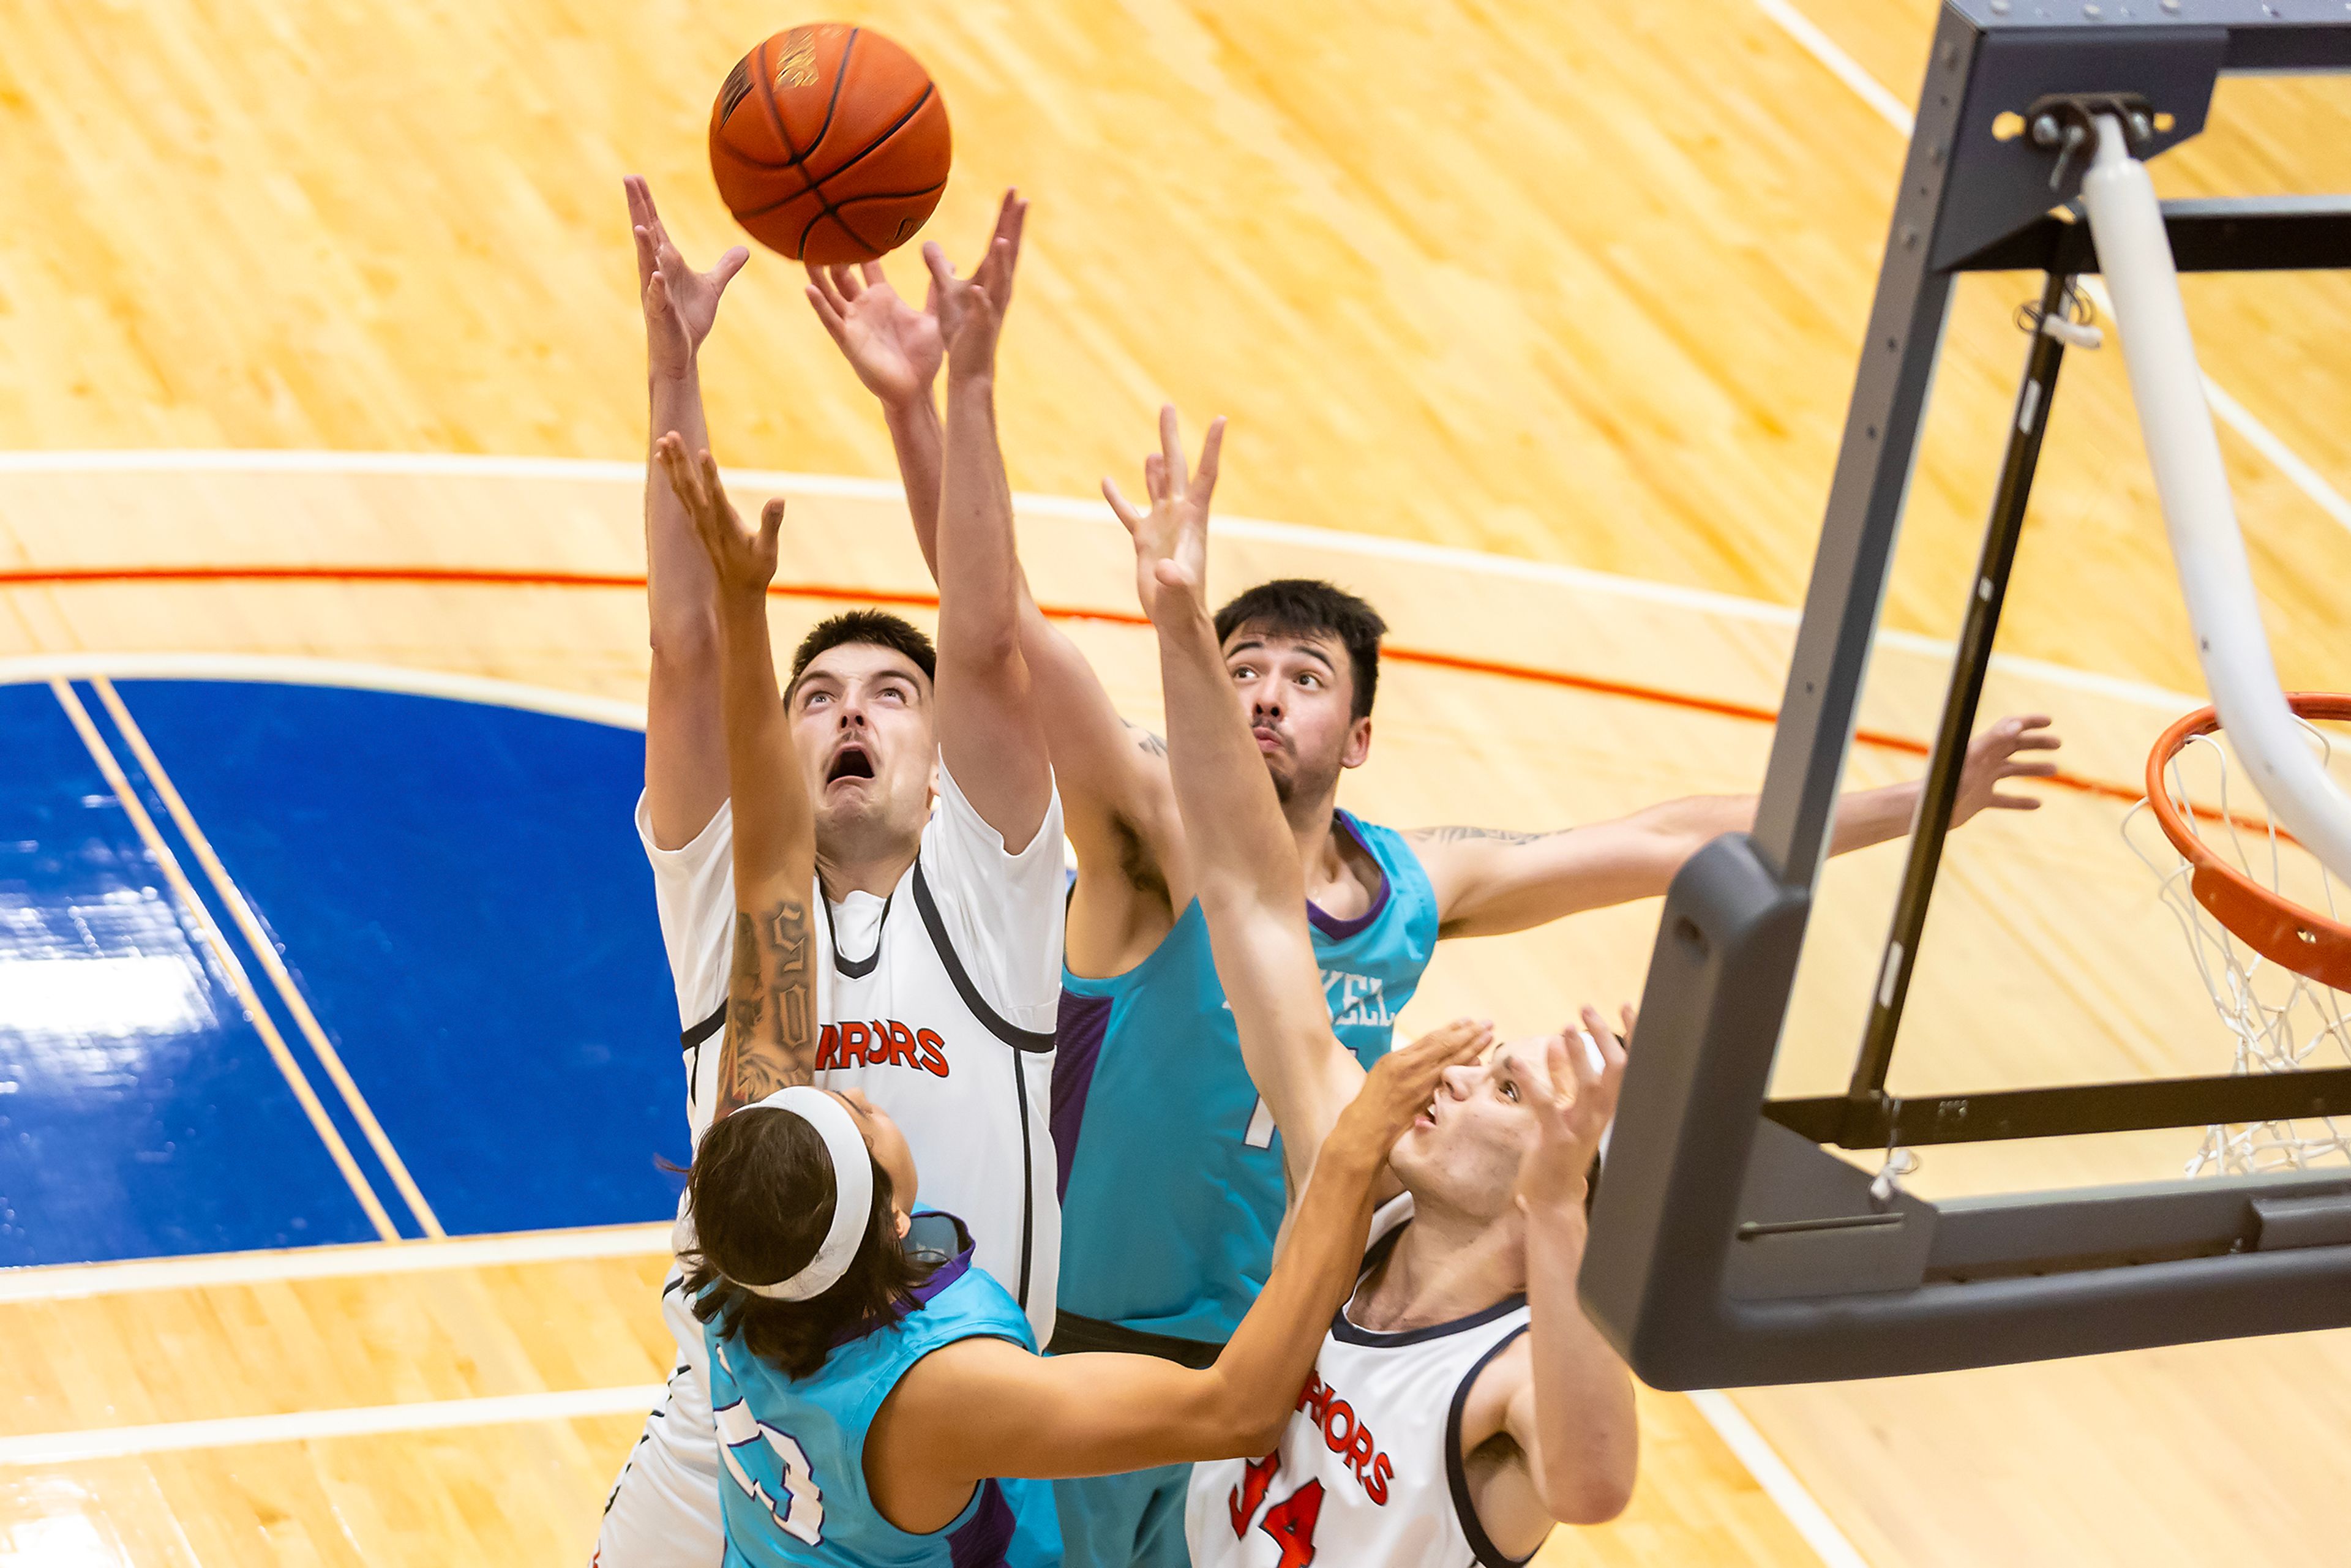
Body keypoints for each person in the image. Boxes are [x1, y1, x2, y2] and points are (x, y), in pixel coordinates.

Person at [804, 234, 2061, 1566]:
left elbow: (1669, 835)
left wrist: (1916, 803)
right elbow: (1005, 636)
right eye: (1242, 669)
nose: (1264, 695)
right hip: (1086, 1324)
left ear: (1358, 737)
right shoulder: (1168, 830)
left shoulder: (1415, 885)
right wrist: (922, 414)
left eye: (1302, 676)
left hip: (1284, 1327)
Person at [660, 437, 1494, 1566]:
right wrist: (1351, 1150)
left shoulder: (750, 1303)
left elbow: (768, 858)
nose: (849, 1095)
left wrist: (746, 609)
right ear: (891, 1219)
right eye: (856, 1121)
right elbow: (1234, 1409)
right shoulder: (942, 1381)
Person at [599, 181, 1070, 1567]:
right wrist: (672, 364)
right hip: (730, 1431)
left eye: (888, 695)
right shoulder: (729, 906)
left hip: (951, 1446)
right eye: (815, 696)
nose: (854, 712)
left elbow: (987, 644)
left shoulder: (996, 888)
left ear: (942, 759)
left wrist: (952, 390)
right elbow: (688, 655)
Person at [1109, 443, 1639, 1563]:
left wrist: (1559, 1215)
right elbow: (1254, 898)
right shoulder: (1347, 1201)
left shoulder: (1512, 1374)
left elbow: (1594, 1487)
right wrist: (1174, 617)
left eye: (1503, 1086)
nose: (1449, 1074)